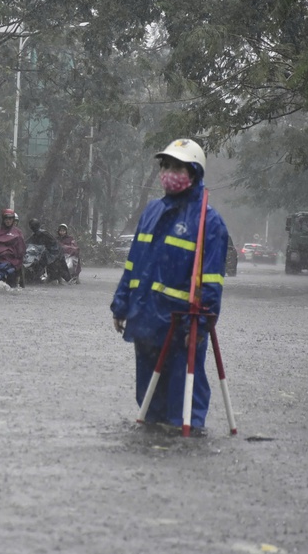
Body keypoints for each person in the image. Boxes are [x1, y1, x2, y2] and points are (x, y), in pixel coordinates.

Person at [110, 139, 229, 434]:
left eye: (177, 166)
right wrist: (121, 304)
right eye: (166, 165)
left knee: (184, 403)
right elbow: (134, 263)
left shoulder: (209, 222)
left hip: (181, 326)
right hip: (145, 319)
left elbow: (212, 282)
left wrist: (199, 326)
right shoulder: (151, 212)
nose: (169, 172)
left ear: (194, 172)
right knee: (149, 403)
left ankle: (187, 448)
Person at [26, 218, 72, 283]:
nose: (33, 227)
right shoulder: (38, 234)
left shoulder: (42, 233)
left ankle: (64, 279)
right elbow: (29, 242)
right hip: (51, 252)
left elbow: (52, 244)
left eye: (34, 226)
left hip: (54, 252)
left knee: (60, 268)